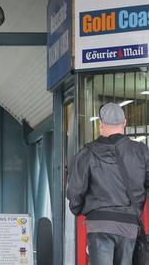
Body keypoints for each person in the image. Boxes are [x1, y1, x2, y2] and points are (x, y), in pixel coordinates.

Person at [67, 102, 149, 265]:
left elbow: (75, 191)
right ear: (125, 122)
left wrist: (78, 208)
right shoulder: (141, 151)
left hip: (99, 223)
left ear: (100, 124)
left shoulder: (87, 153)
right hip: (128, 225)